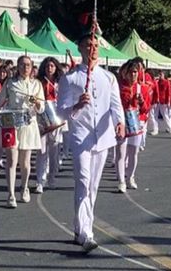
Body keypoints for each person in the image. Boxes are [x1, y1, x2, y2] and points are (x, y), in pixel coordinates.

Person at [57, 29, 125, 253]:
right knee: (83, 181)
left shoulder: (108, 77)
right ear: (80, 48)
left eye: (96, 45)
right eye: (88, 45)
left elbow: (116, 105)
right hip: (80, 137)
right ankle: (87, 233)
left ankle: (79, 228)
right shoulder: (70, 78)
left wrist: (120, 123)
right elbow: (61, 112)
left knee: (92, 186)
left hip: (103, 137)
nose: (92, 49)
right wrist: (76, 105)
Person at [0, 56, 45, 207]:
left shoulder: (37, 85)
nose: (25, 67)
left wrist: (36, 102)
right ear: (18, 66)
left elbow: (42, 108)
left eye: (28, 65)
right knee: (11, 161)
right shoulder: (10, 83)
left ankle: (24, 187)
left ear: (32, 67)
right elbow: (0, 100)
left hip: (28, 124)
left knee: (25, 163)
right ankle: (10, 194)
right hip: (11, 123)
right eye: (22, 64)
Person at [115, 59, 150, 193]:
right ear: (125, 73)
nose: (133, 75)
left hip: (136, 123)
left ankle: (130, 177)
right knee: (120, 153)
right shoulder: (119, 87)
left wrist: (141, 102)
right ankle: (121, 181)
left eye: (135, 72)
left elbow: (146, 109)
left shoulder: (142, 88)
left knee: (134, 152)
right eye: (130, 72)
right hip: (122, 122)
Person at [36, 57, 64, 194]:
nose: (50, 68)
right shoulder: (38, 82)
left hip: (56, 119)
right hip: (41, 118)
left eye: (52, 66)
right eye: (47, 66)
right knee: (41, 151)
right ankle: (40, 181)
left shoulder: (61, 82)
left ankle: (51, 177)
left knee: (54, 152)